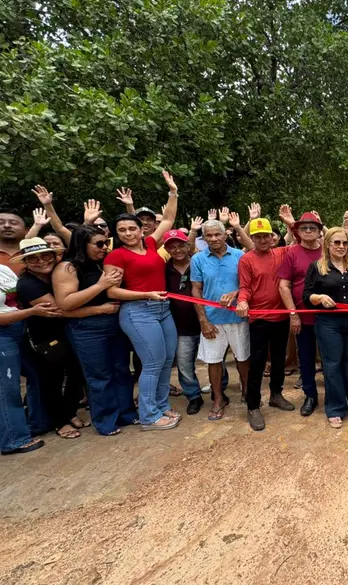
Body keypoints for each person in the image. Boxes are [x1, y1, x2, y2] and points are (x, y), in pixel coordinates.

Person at [104, 171, 180, 431]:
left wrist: (172, 191)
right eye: (122, 230)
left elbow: (168, 218)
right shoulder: (116, 256)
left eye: (131, 228)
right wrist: (144, 294)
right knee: (152, 363)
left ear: (140, 229)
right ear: (117, 234)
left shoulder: (149, 244)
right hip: (138, 311)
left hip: (162, 309)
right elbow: (112, 292)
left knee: (167, 360)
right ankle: (148, 415)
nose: (127, 233)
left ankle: (161, 405)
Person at [53, 225, 138, 436]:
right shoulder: (67, 268)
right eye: (99, 244)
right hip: (87, 329)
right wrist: (101, 289)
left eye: (106, 243)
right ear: (83, 244)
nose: (104, 248)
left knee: (121, 370)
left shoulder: (103, 264)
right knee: (99, 376)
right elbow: (65, 303)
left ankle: (126, 413)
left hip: (114, 325)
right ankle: (105, 420)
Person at [14, 238, 88, 440]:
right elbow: (60, 310)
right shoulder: (28, 284)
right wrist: (99, 308)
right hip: (45, 338)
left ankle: (70, 412)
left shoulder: (57, 274)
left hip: (66, 332)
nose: (40, 261)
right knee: (52, 379)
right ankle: (59, 422)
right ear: (26, 263)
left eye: (45, 256)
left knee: (77, 373)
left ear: (55, 256)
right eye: (33, 259)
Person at [303, 227, 348, 428]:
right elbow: (306, 296)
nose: (341, 247)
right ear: (328, 244)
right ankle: (335, 408)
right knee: (332, 365)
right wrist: (319, 298)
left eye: (344, 243)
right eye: (336, 243)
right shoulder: (316, 267)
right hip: (328, 323)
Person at [191, 217, 253, 421]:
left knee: (243, 357)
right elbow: (196, 290)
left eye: (217, 234)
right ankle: (218, 399)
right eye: (208, 235)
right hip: (212, 319)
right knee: (213, 360)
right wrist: (203, 321)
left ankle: (246, 392)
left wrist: (236, 294)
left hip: (238, 316)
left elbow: (248, 285)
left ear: (225, 234)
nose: (214, 238)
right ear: (204, 238)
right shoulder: (198, 259)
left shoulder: (239, 256)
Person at [236, 218, 294, 431]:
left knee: (279, 359)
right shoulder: (246, 260)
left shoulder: (281, 253)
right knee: (258, 363)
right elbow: (245, 286)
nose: (262, 240)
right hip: (259, 319)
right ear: (252, 238)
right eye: (257, 236)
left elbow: (301, 240)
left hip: (281, 318)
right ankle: (253, 405)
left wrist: (290, 223)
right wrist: (242, 300)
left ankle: (276, 395)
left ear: (272, 237)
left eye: (265, 236)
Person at [0, 264, 60, 455]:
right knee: (7, 387)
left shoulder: (3, 269)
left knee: (37, 374)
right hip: (3, 334)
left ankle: (39, 423)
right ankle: (14, 439)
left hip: (19, 328)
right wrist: (32, 312)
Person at [278, 211, 324, 416]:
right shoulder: (291, 253)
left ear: (318, 231)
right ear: (298, 231)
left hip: (327, 317)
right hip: (302, 317)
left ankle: (332, 392)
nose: (307, 231)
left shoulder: (327, 251)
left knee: (330, 358)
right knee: (305, 358)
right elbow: (283, 286)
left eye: (312, 228)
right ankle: (310, 395)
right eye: (303, 228)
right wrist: (293, 314)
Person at [163, 229, 206, 415]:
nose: (177, 250)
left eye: (181, 245)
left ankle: (220, 389)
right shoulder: (164, 269)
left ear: (188, 245)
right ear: (167, 249)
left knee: (215, 359)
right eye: (172, 247)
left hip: (207, 321)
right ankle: (193, 396)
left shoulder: (200, 263)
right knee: (184, 363)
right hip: (179, 325)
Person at [0, 208, 28, 275]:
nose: (7, 226)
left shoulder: (40, 254)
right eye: (0, 223)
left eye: (13, 223)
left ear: (26, 230)